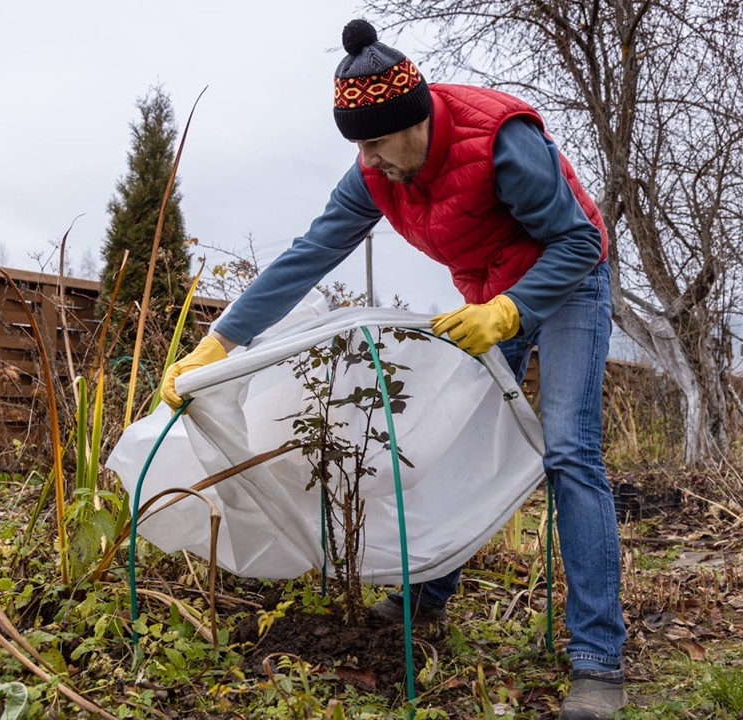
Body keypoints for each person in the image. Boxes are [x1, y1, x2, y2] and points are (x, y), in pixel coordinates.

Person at [160, 19, 626, 720]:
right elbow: (309, 253)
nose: (369, 160)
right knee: (456, 445)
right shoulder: (375, 175)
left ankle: (598, 664)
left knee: (568, 451)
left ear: (418, 121)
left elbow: (578, 238)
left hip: (566, 283)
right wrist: (222, 342)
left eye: (377, 142)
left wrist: (510, 310)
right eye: (359, 146)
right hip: (486, 291)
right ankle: (425, 599)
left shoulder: (501, 143)